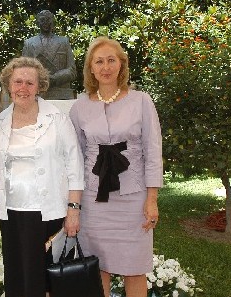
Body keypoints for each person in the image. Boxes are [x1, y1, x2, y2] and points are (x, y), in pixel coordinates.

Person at [0, 56, 84, 297]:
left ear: (40, 86)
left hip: (49, 212)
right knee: (17, 276)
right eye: (18, 82)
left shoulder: (58, 119)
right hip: (12, 212)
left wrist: (74, 209)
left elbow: (75, 165)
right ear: (9, 85)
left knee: (46, 279)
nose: (23, 88)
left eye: (30, 83)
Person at [69, 36, 163, 297]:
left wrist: (152, 199)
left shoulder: (142, 101)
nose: (105, 67)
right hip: (94, 201)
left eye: (111, 60)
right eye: (99, 61)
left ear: (122, 65)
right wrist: (73, 204)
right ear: (91, 68)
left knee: (135, 269)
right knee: (98, 270)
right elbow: (74, 158)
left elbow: (153, 151)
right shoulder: (79, 107)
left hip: (133, 201)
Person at [22, 10, 76, 100]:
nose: (45, 23)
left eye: (48, 20)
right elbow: (23, 71)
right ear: (37, 22)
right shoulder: (29, 43)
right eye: (42, 20)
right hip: (37, 95)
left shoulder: (64, 42)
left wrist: (55, 78)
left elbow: (72, 71)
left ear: (53, 22)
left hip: (61, 95)